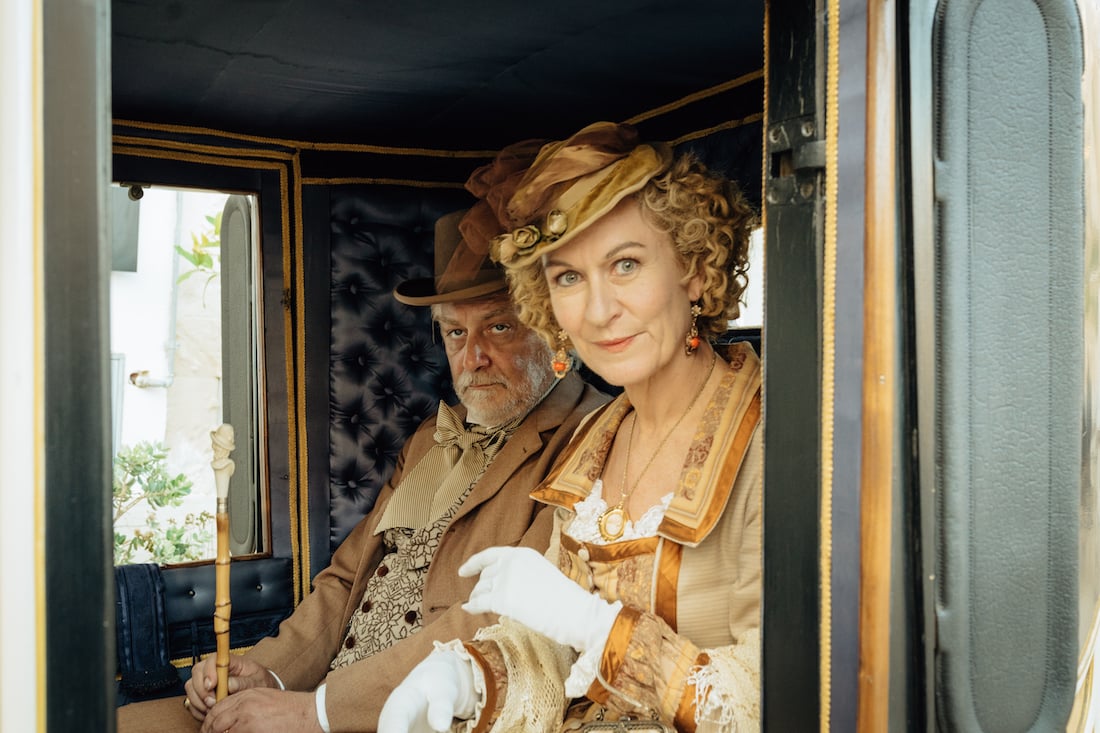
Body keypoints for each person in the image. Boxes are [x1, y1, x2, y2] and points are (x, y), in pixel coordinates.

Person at [116, 208, 608, 733]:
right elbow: (347, 578)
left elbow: (505, 621)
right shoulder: (431, 438)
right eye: (455, 332)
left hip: (425, 714)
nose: (473, 357)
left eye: (499, 327)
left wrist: (315, 713)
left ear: (554, 328)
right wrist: (270, 674)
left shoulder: (590, 439)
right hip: (321, 693)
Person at [379, 121, 761, 733]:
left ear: (693, 268)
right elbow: (550, 651)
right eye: (568, 277)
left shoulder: (775, 444)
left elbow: (781, 700)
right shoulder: (594, 441)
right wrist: (469, 678)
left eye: (626, 264)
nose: (598, 310)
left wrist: (596, 627)